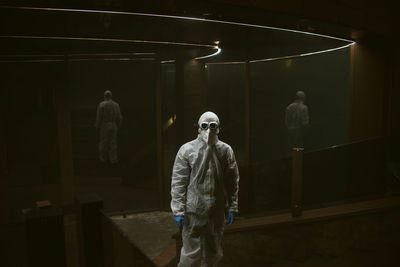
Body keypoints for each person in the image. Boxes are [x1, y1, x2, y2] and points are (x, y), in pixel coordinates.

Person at [171, 111, 240, 267]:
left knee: (213, 251)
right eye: (205, 126)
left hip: (216, 211)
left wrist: (232, 206)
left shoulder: (225, 150)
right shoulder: (187, 150)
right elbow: (178, 181)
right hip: (193, 210)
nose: (209, 130)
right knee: (190, 254)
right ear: (198, 128)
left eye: (213, 126)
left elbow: (232, 182)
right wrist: (179, 210)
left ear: (219, 128)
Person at [95, 90, 123, 164]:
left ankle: (103, 159)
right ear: (111, 96)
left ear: (104, 96)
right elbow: (119, 117)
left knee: (104, 142)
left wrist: (97, 126)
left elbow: (99, 117)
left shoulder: (101, 105)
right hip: (113, 125)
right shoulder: (116, 105)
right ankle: (113, 160)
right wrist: (118, 125)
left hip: (105, 125)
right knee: (113, 143)